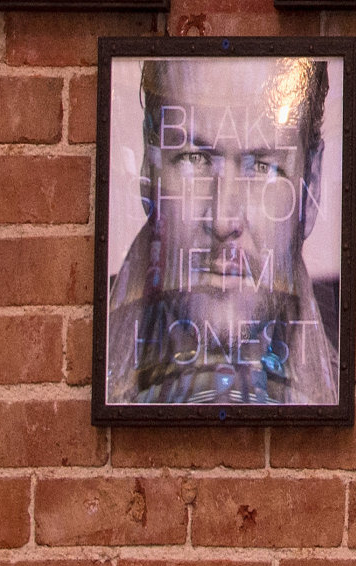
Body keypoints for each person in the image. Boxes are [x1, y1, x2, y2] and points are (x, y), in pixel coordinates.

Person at [103, 54, 339, 407]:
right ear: (147, 173)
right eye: (193, 158)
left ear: (313, 182)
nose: (224, 222)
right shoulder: (72, 360)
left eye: (264, 167)